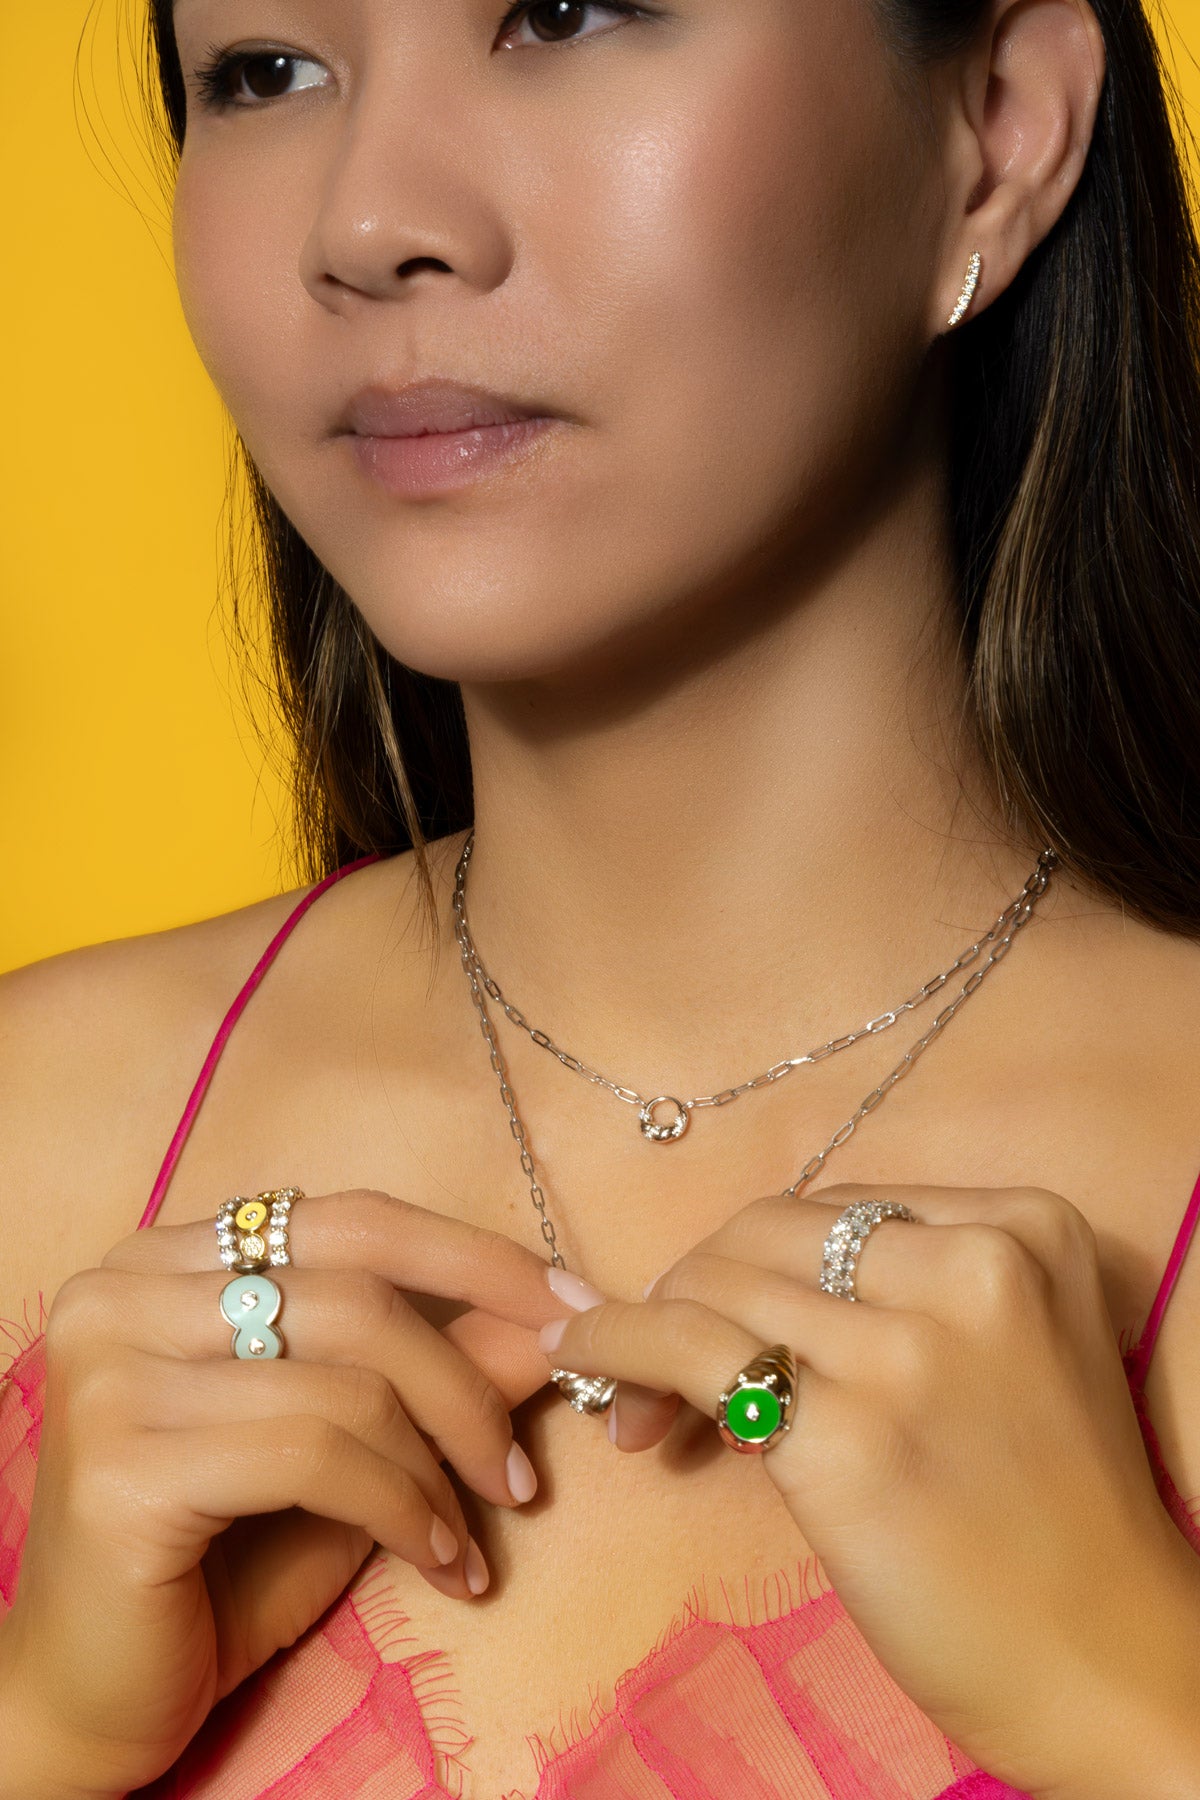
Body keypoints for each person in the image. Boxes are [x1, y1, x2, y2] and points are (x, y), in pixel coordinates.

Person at [3, 0, 1200, 1793]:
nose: (368, 221)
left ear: (999, 129)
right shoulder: (36, 1144)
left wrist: (1142, 1707)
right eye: (265, 72)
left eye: (563, 11)